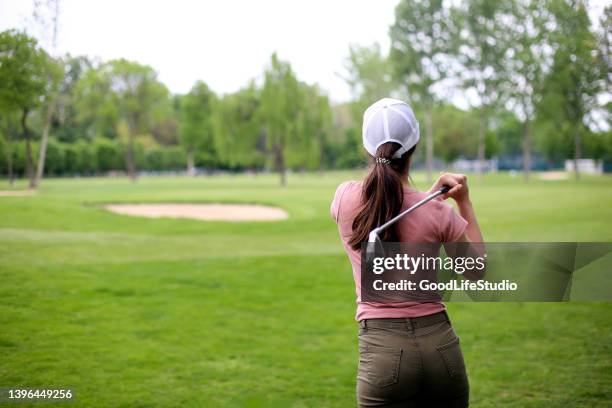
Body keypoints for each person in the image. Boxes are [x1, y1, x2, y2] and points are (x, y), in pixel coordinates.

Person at [330, 98, 484, 407]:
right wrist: (462, 201)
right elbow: (477, 270)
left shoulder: (345, 198)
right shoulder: (438, 214)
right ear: (414, 146)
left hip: (383, 352)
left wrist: (429, 200)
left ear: (367, 147)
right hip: (441, 348)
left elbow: (393, 215)